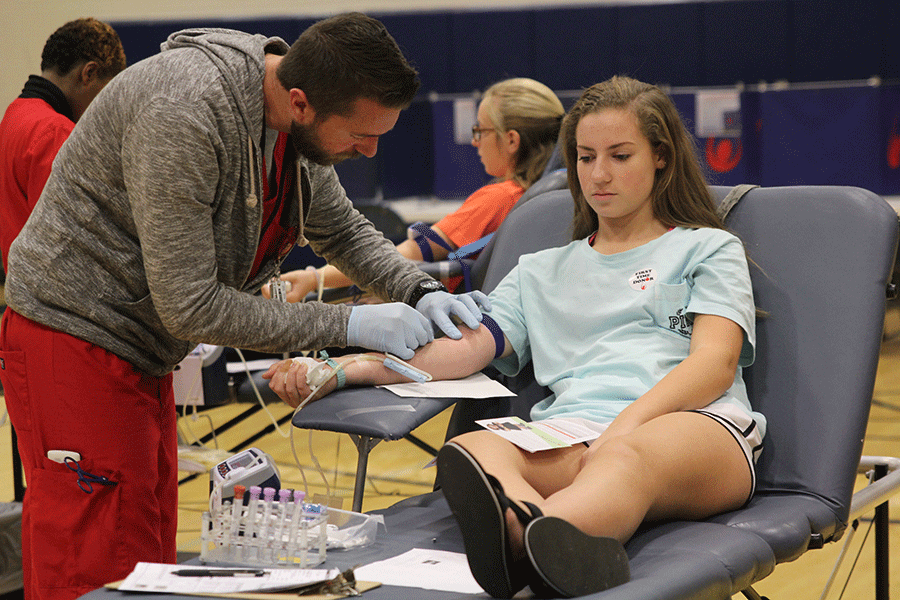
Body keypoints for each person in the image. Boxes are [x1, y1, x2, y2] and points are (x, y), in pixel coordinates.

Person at [0, 13, 487, 600]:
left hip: (138, 345)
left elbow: (343, 231)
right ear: (303, 103)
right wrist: (348, 323)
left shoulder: (293, 119)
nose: (371, 149)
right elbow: (191, 305)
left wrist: (419, 290)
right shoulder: (182, 113)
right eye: (361, 134)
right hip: (73, 336)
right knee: (95, 553)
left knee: (146, 541)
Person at [264, 75, 766, 598]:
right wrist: (353, 367)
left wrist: (625, 427)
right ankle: (547, 541)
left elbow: (714, 365)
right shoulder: (540, 270)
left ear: (660, 157)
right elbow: (467, 347)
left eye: (620, 156)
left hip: (696, 429)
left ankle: (534, 540)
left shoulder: (707, 248)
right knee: (474, 447)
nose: (599, 174)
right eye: (586, 157)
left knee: (624, 457)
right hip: (576, 433)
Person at [266, 77, 565, 300]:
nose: (475, 142)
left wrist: (315, 278)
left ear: (511, 140)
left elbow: (403, 257)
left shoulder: (499, 198)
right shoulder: (559, 198)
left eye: (480, 131)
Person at [0, 17, 126, 272]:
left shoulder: (14, 114)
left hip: (22, 295)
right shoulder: (56, 132)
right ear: (89, 73)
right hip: (50, 306)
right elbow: (68, 245)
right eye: (107, 92)